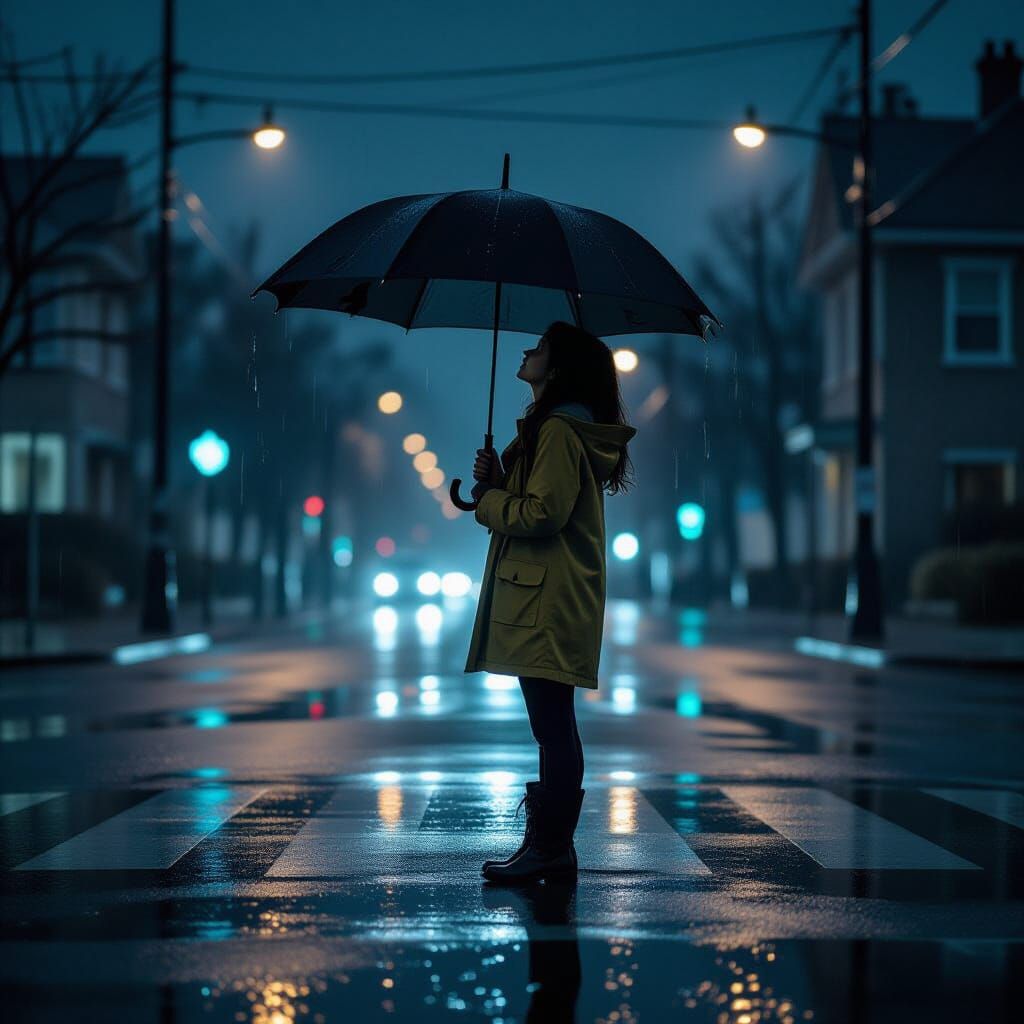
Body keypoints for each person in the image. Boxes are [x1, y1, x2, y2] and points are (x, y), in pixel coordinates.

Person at [464, 320, 637, 883]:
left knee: (552, 727)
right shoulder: (554, 430)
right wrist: (500, 480)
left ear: (557, 369)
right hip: (549, 595)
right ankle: (551, 844)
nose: (526, 351)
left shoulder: (559, 431)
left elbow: (543, 515)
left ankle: (551, 846)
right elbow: (539, 500)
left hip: (546, 598)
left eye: (538, 348)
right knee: (555, 725)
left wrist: (491, 499)